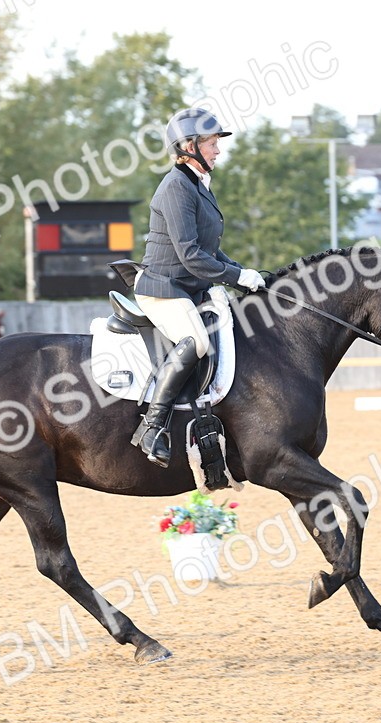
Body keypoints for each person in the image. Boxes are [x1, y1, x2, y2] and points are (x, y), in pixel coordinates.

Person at [129, 107, 266, 467]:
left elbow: (210, 249)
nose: (218, 151)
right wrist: (235, 278)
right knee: (198, 341)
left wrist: (246, 272)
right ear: (188, 145)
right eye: (211, 143)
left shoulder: (197, 185)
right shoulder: (176, 187)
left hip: (188, 288)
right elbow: (190, 256)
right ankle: (152, 426)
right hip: (162, 287)